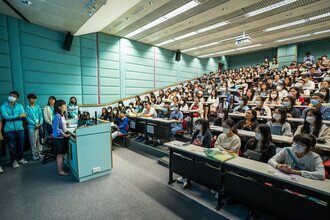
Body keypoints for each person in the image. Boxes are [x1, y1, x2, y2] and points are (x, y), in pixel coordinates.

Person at [0, 91, 28, 168]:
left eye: (14, 96)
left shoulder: (20, 106)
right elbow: (6, 117)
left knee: (21, 146)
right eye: (10, 95)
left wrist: (17, 116)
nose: (12, 97)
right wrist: (19, 116)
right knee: (12, 147)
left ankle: (20, 158)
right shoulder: (3, 107)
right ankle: (14, 161)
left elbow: (24, 115)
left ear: (17, 98)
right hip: (9, 130)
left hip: (20, 129)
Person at [52, 100, 70, 176]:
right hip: (59, 138)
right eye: (64, 105)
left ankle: (59, 168)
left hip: (61, 137)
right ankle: (60, 171)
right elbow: (56, 129)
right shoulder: (57, 116)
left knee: (60, 154)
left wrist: (66, 123)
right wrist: (65, 135)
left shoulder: (62, 115)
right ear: (59, 107)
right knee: (60, 155)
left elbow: (61, 124)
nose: (65, 106)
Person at [25, 94, 44, 161]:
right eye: (31, 98)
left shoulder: (37, 107)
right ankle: (34, 154)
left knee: (40, 140)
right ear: (29, 99)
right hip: (32, 127)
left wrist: (40, 123)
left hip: (39, 126)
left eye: (34, 98)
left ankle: (39, 153)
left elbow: (41, 116)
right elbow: (27, 118)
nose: (33, 100)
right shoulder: (27, 108)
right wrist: (34, 124)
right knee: (33, 141)